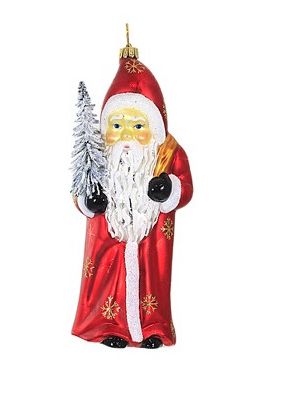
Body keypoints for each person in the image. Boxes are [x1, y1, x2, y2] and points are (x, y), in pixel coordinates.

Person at [72, 35, 193, 348]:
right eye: (118, 125)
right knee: (105, 282)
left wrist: (170, 189)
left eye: (138, 126)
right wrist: (88, 201)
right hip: (107, 239)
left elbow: (184, 186)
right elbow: (80, 186)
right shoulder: (100, 152)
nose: (127, 134)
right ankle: (108, 326)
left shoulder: (168, 152)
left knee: (153, 282)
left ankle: (152, 327)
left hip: (152, 239)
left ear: (154, 127)